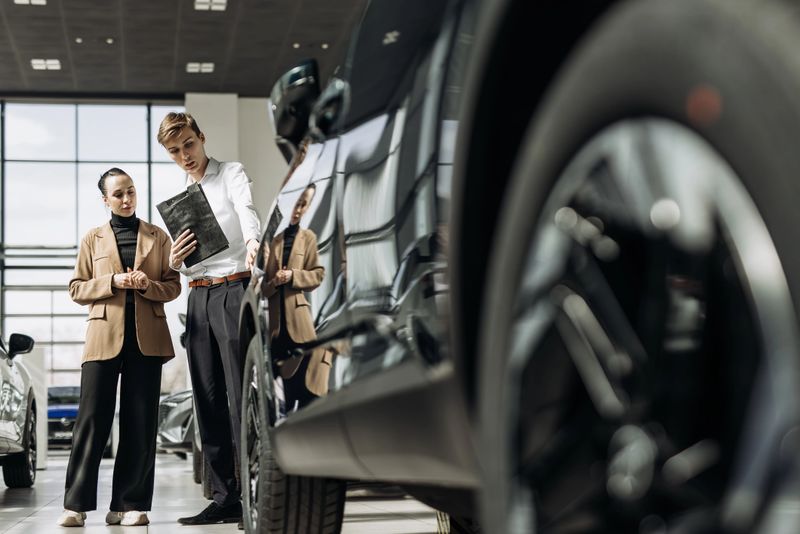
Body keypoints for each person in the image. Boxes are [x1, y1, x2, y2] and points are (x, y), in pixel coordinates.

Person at [58, 168, 181, 528]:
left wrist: (146, 286)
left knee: (140, 421)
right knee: (91, 419)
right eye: (118, 195)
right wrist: (112, 281)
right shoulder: (92, 239)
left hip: (148, 339)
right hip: (102, 338)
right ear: (105, 200)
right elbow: (76, 288)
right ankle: (75, 505)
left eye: (131, 192)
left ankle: (129, 505)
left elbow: (173, 287)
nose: (127, 200)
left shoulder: (158, 237)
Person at [157, 112, 260, 526]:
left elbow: (246, 208)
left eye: (189, 145)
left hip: (235, 290)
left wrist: (253, 240)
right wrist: (175, 261)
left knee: (241, 397)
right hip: (198, 300)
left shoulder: (231, 173)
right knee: (208, 401)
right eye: (174, 151)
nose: (185, 156)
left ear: (201, 138)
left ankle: (255, 491)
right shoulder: (182, 196)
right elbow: (184, 266)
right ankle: (224, 497)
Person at [263, 184, 328, 410]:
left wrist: (292, 275)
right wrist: (275, 282)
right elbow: (263, 290)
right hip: (276, 329)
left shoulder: (308, 238)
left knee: (305, 384)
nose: (298, 209)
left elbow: (318, 275)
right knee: (284, 391)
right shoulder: (275, 240)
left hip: (299, 324)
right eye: (296, 203)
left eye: (303, 205)